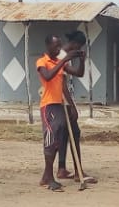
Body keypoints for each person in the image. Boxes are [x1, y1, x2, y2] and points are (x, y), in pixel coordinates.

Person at [37, 34, 86, 192]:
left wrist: (82, 61)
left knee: (57, 141)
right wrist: (64, 60)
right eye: (56, 47)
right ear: (48, 47)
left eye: (60, 46)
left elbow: (79, 73)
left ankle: (47, 176)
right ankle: (50, 178)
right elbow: (48, 76)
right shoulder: (42, 62)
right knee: (50, 141)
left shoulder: (60, 62)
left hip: (58, 104)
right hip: (48, 105)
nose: (59, 49)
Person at [57, 31, 96, 184]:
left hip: (63, 100)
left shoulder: (67, 57)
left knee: (65, 135)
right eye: (78, 47)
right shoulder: (61, 56)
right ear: (75, 44)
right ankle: (78, 171)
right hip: (61, 101)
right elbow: (62, 85)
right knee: (75, 132)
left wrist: (82, 60)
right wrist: (72, 106)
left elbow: (78, 73)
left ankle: (61, 169)